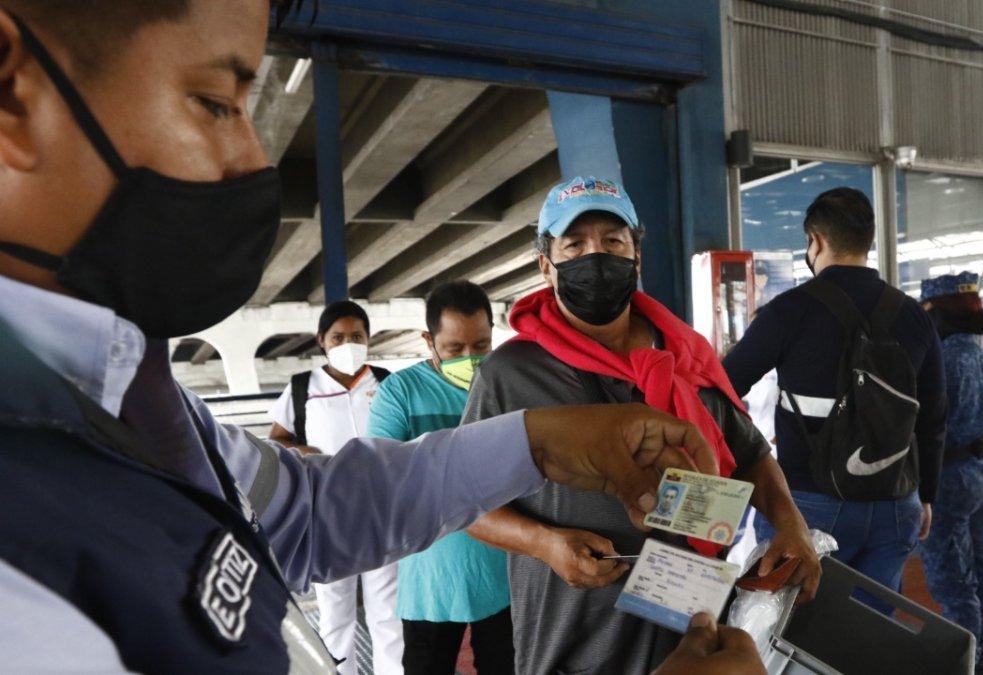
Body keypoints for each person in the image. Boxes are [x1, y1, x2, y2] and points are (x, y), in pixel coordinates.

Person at [0, 3, 746, 672]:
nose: (254, 162)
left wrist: (539, 444)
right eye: (214, 102)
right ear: (11, 90)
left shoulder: (130, 397)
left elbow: (314, 510)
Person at [463, 176, 822, 674]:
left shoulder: (686, 357)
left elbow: (752, 454)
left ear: (637, 257)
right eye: (575, 244)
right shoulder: (512, 374)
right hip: (575, 637)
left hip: (689, 630)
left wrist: (791, 523)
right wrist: (544, 543)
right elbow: (465, 502)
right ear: (546, 266)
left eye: (613, 242)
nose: (596, 256)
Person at [722, 187, 947, 612]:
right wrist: (928, 494)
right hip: (896, 504)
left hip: (808, 505)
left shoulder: (788, 311)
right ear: (868, 242)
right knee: (868, 634)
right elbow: (934, 417)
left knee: (792, 628)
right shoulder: (914, 315)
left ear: (816, 241)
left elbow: (723, 387)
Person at [367, 281, 513, 675]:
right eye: (454, 348)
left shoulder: (508, 384)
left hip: (507, 577)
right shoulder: (400, 393)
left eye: (481, 345)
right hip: (431, 582)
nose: (471, 357)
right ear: (428, 340)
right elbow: (383, 478)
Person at [268, 300, 403, 674]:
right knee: (335, 613)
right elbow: (276, 439)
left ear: (368, 339)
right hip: (327, 515)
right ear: (321, 341)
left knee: (389, 613)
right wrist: (302, 450)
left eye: (356, 336)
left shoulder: (386, 381)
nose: (348, 344)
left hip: (383, 511)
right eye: (338, 337)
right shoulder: (302, 387)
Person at [917, 272, 983, 675]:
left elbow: (924, 426)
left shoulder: (938, 364)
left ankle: (963, 665)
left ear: (938, 315)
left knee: (954, 585)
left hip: (948, 481)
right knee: (979, 575)